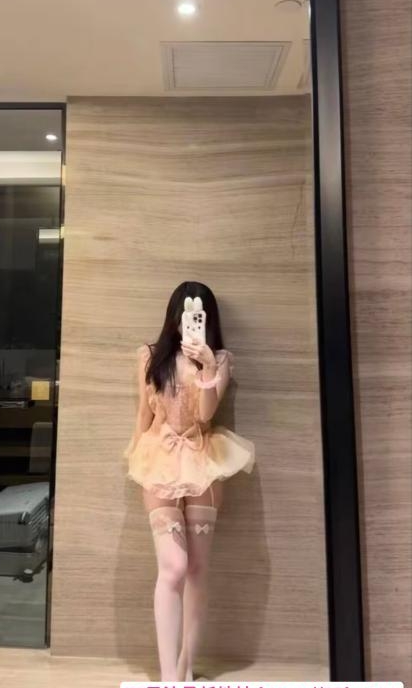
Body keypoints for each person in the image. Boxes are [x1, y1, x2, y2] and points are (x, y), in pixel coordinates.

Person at [123, 280, 255, 681]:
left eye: (199, 315)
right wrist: (135, 456)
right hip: (159, 456)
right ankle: (169, 677)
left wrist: (208, 368)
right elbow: (143, 413)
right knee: (174, 566)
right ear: (175, 316)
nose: (191, 322)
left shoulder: (219, 359)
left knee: (197, 568)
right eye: (186, 314)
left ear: (208, 320)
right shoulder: (150, 356)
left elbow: (204, 415)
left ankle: (186, 667)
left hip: (202, 458)